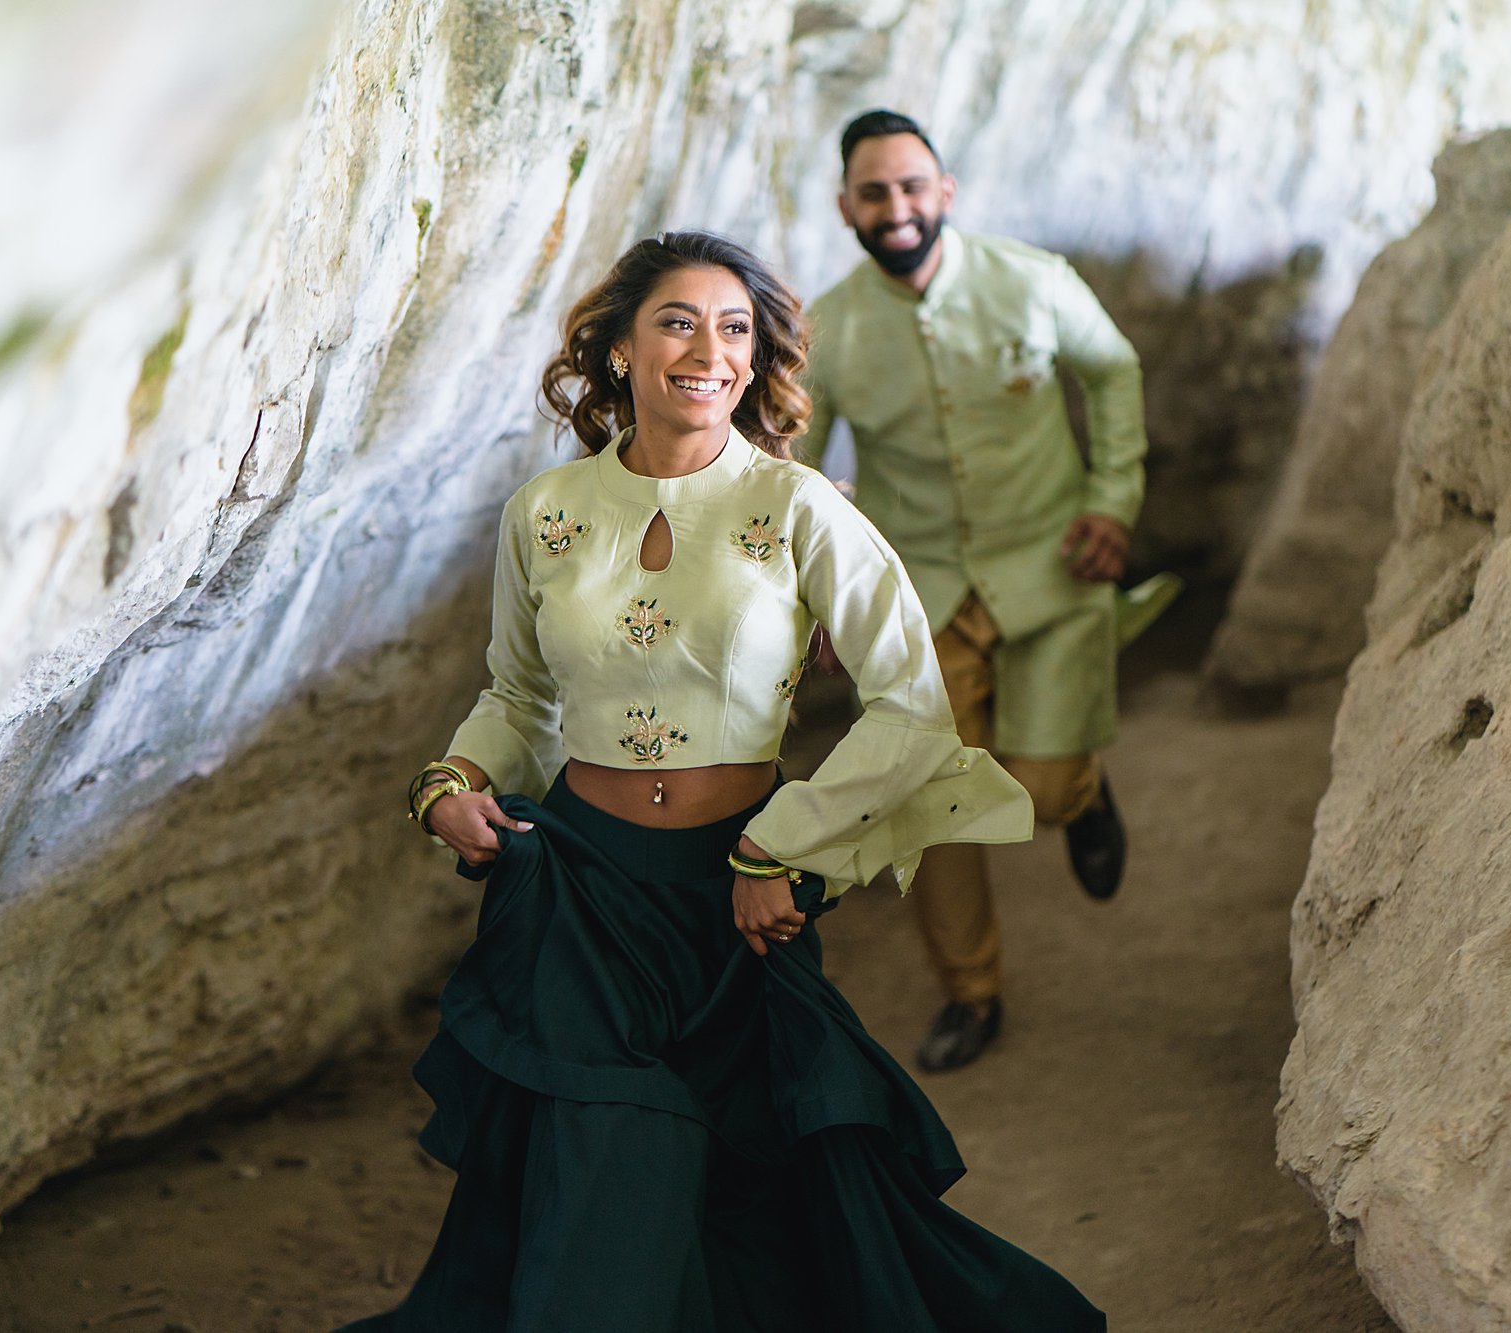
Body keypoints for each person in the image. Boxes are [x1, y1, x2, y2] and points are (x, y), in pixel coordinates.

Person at [340, 231, 1105, 1332]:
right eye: (677, 321)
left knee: (753, 1201)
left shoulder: (798, 509)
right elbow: (518, 697)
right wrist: (450, 782)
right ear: (616, 352)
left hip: (740, 904)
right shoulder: (543, 514)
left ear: (756, 360)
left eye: (734, 328)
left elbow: (910, 704)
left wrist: (778, 848)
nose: (710, 349)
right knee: (606, 1168)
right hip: (579, 895)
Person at [798, 109, 1158, 1073]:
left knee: (1033, 788)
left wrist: (1113, 499)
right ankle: (973, 993)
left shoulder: (1034, 281)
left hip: (1053, 567)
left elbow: (1114, 370)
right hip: (917, 593)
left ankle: (1079, 792)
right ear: (846, 208)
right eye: (874, 192)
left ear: (945, 192)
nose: (896, 207)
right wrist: (816, 585)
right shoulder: (823, 330)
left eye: (912, 186)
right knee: (933, 800)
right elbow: (788, 464)